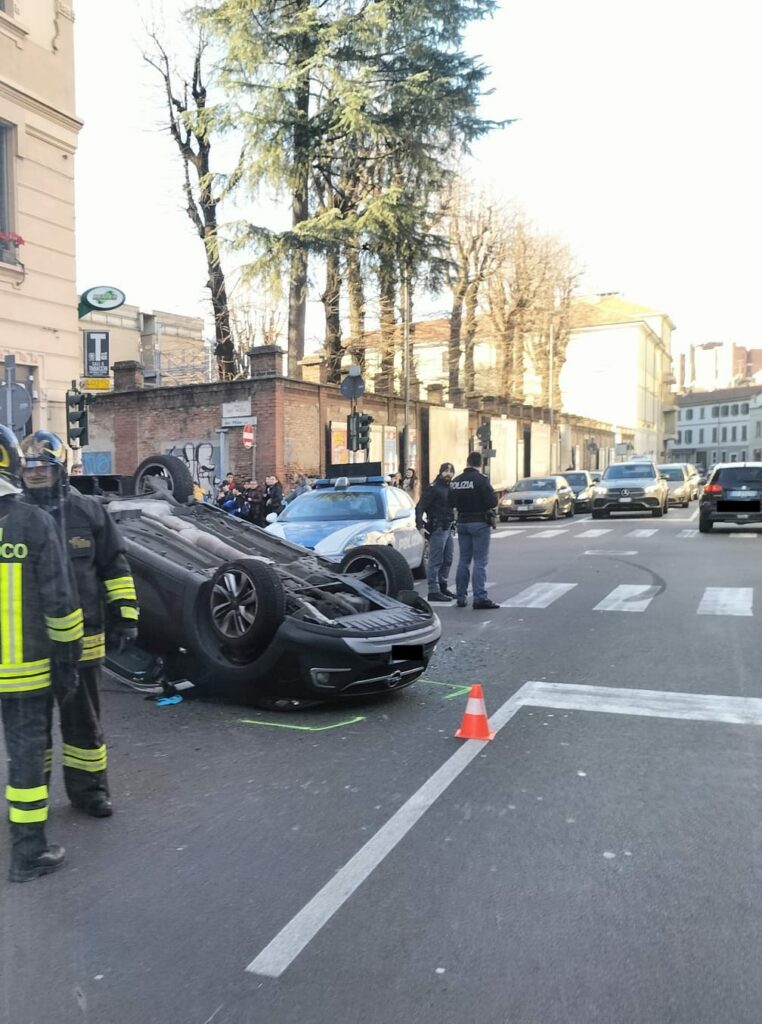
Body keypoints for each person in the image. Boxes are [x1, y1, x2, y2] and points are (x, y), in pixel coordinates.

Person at [21, 431, 139, 819]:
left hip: (82, 641)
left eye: (44, 466)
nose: (35, 473)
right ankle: (31, 800)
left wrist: (125, 616)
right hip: (29, 646)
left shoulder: (88, 511)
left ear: (61, 469)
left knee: (84, 726)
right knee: (32, 732)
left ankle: (90, 793)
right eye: (29, 467)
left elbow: (114, 567)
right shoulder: (12, 516)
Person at [0, 426, 83, 882]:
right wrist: (67, 664)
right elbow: (62, 607)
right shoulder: (32, 523)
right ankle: (28, 852)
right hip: (24, 676)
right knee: (27, 757)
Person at [449, 451, 500, 609]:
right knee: (480, 561)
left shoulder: (456, 481)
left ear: (467, 462)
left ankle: (461, 597)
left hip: (462, 522)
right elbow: (492, 501)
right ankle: (479, 598)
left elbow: (450, 501)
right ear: (480, 463)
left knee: (463, 560)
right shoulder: (481, 480)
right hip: (479, 522)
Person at [415, 462, 456, 603]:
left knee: (448, 559)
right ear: (440, 472)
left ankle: (443, 587)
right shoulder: (433, 488)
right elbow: (419, 507)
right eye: (446, 471)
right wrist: (419, 525)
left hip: (448, 527)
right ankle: (433, 590)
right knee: (435, 560)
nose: (448, 474)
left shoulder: (449, 487)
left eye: (451, 472)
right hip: (437, 528)